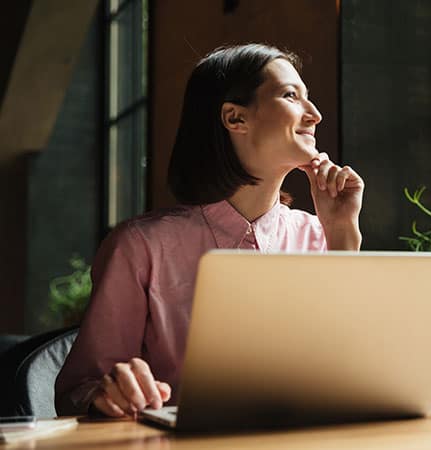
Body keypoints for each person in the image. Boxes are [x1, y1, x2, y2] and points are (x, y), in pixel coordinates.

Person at [55, 43, 364, 417]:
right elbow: (77, 391)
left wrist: (343, 233)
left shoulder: (321, 236)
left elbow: (352, 371)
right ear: (235, 118)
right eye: (290, 96)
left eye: (308, 99)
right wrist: (110, 394)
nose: (314, 115)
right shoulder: (141, 247)